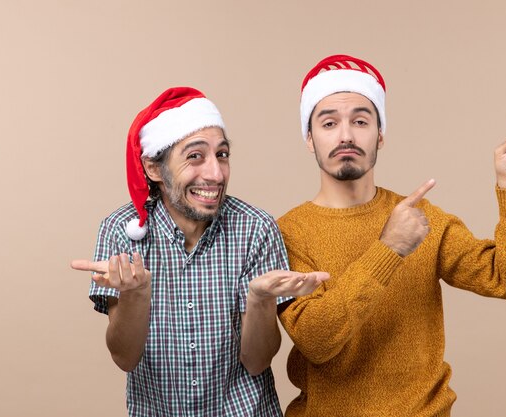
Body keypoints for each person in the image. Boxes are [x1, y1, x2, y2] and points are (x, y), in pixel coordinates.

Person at [277, 55, 506, 416]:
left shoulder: (420, 217)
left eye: (360, 121)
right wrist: (389, 249)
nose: (346, 135)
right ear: (310, 139)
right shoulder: (288, 232)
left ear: (380, 134)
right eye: (329, 123)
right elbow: (316, 340)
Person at [71, 86, 328, 417]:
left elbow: (258, 361)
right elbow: (125, 357)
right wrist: (135, 296)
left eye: (222, 155)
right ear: (153, 169)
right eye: (195, 156)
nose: (215, 174)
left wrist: (259, 299)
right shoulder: (121, 231)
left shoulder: (256, 228)